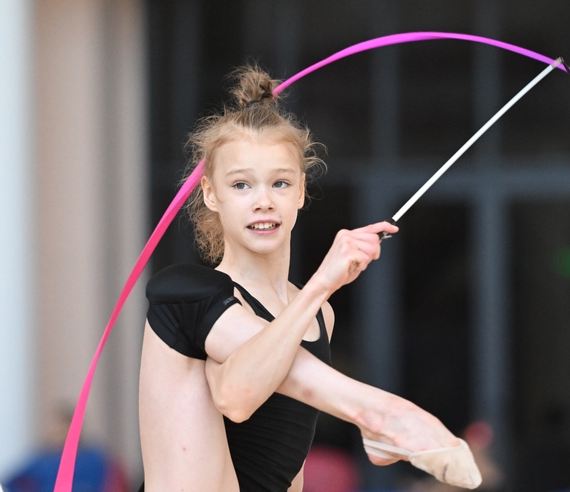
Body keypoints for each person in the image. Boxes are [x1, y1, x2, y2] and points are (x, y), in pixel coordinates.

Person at [138, 66, 481, 492]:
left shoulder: (320, 317)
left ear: (300, 191)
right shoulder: (182, 295)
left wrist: (318, 296)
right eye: (241, 185)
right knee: (190, 300)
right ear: (211, 193)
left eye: (280, 183)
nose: (263, 202)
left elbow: (287, 468)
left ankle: (382, 416)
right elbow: (237, 397)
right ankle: (383, 415)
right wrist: (322, 282)